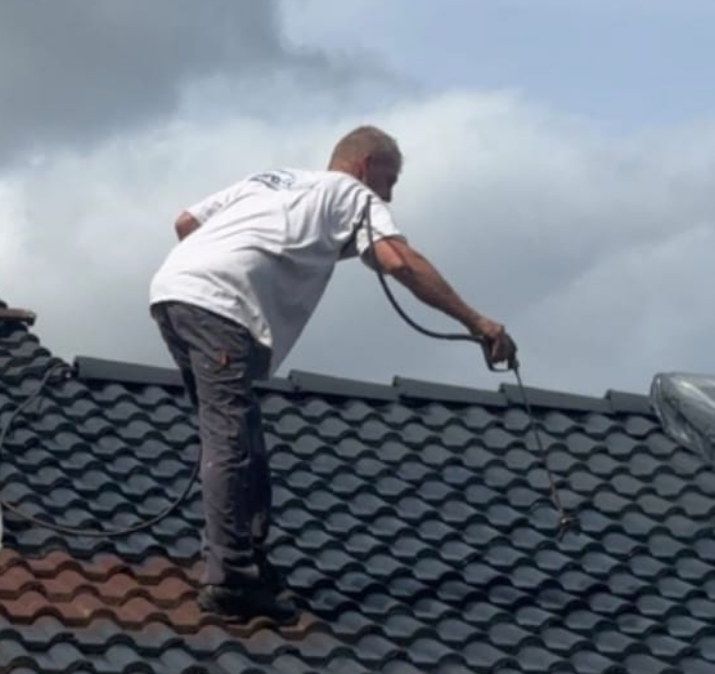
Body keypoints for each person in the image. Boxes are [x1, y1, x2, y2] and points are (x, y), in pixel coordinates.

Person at [149, 125, 515, 622]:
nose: (388, 197)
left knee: (242, 433)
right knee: (229, 437)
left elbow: (185, 222)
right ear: (365, 166)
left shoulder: (270, 180)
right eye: (389, 181)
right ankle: (230, 578)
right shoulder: (352, 193)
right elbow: (399, 260)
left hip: (173, 292)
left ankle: (248, 558)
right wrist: (478, 323)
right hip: (221, 306)